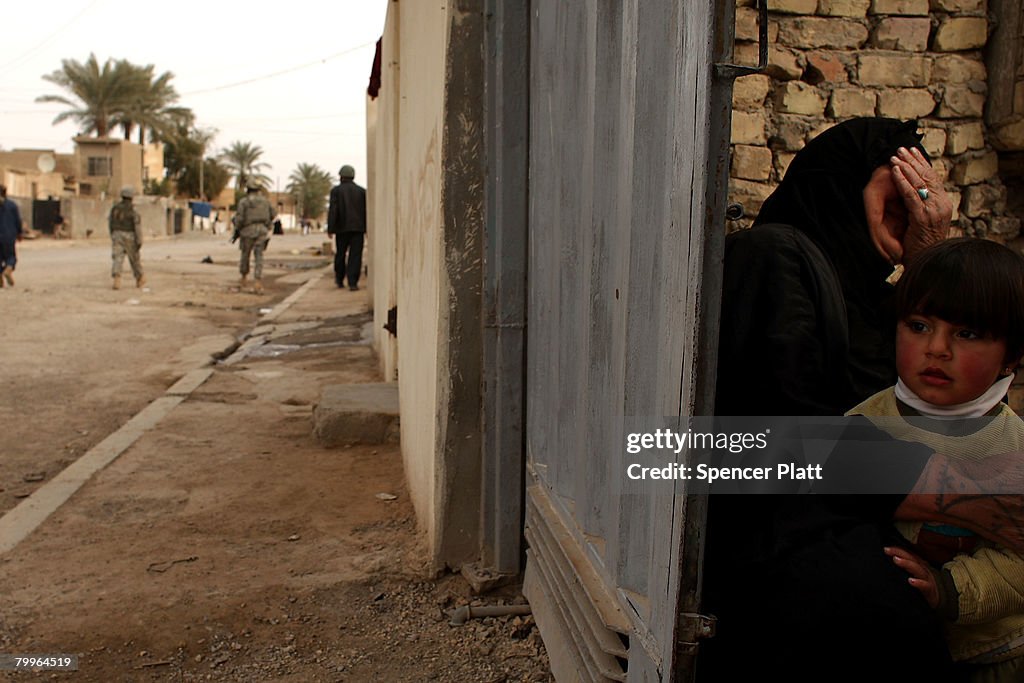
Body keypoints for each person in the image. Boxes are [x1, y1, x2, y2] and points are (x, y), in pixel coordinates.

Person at [699, 118, 998, 681]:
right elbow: (787, 445)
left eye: (922, 206)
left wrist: (929, 258)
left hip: (850, 529)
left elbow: (938, 405)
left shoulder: (879, 304)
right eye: (897, 199)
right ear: (840, 185)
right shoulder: (773, 259)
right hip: (777, 552)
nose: (909, 218)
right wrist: (955, 496)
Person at [847, 238, 1024, 682]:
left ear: (1012, 359)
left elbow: (1018, 562)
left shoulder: (1014, 449)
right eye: (920, 325)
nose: (937, 348)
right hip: (892, 648)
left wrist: (948, 590)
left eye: (967, 334)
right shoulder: (861, 425)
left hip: (994, 655)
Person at [327, 164, 367, 291]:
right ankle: (353, 283)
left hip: (341, 229)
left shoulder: (336, 191)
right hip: (358, 229)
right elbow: (366, 211)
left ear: (341, 176)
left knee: (340, 254)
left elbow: (333, 211)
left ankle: (339, 279)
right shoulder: (362, 192)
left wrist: (331, 229)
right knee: (355, 256)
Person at [232, 180, 275, 294]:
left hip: (247, 230)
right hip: (262, 231)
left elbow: (240, 218)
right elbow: (273, 215)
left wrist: (237, 229)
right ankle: (257, 280)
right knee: (259, 256)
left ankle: (244, 278)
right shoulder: (266, 201)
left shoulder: (244, 202)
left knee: (245, 254)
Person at [109, 186, 144, 290]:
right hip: (130, 235)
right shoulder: (133, 210)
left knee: (117, 258)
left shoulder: (115, 209)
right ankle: (139, 278)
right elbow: (137, 226)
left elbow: (111, 223)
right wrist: (139, 240)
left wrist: (113, 235)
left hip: (117, 234)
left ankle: (117, 279)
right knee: (134, 259)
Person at [0, 185, 23, 288]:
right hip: (9, 236)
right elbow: (17, 221)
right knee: (11, 257)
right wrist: (19, 233)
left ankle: (0, 279)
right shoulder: (12, 205)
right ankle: (8, 270)